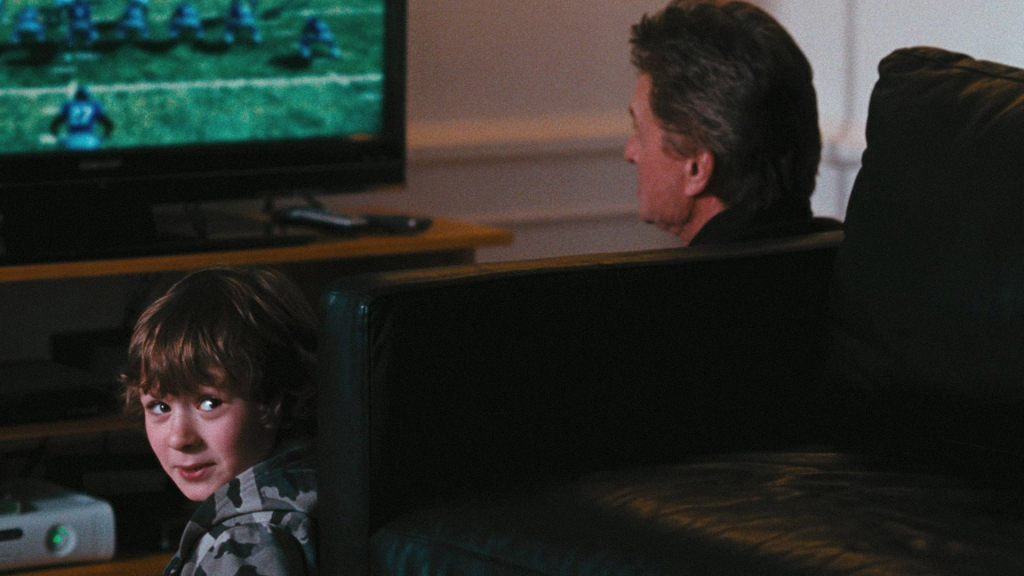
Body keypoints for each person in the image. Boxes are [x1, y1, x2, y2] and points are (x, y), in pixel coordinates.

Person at [120, 266, 318, 576]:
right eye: (160, 407)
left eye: (209, 404)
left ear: (279, 398)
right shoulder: (317, 483)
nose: (179, 438)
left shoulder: (242, 541)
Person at [625, 0, 839, 245]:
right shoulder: (850, 256)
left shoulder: (696, 273)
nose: (630, 153)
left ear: (696, 169)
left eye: (639, 132)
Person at [50, 86, 114, 150]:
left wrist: (60, 140)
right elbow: (109, 125)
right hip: (89, 141)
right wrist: (102, 139)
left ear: (76, 97)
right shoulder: (94, 105)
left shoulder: (69, 106)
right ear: (88, 97)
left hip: (72, 141)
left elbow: (54, 125)